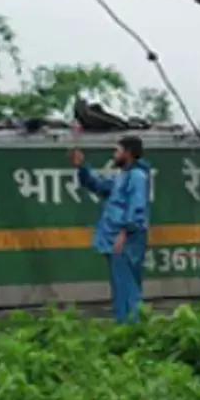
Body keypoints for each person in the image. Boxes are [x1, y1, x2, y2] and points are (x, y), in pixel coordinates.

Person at [72, 138, 152, 324]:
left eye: (118, 150)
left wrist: (124, 233)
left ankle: (132, 327)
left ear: (128, 153)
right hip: (116, 238)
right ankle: (124, 325)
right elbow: (99, 186)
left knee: (127, 287)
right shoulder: (122, 176)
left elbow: (137, 208)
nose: (114, 155)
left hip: (126, 240)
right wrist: (82, 167)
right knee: (120, 286)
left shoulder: (137, 177)